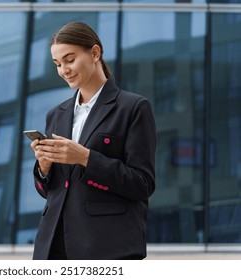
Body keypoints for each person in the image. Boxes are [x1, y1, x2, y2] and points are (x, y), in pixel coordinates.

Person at [30, 22, 156, 260]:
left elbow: (142, 184)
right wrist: (44, 167)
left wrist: (85, 158)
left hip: (105, 245)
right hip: (53, 244)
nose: (63, 70)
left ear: (95, 53)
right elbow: (50, 191)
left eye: (69, 59)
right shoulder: (56, 114)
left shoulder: (133, 108)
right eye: (57, 64)